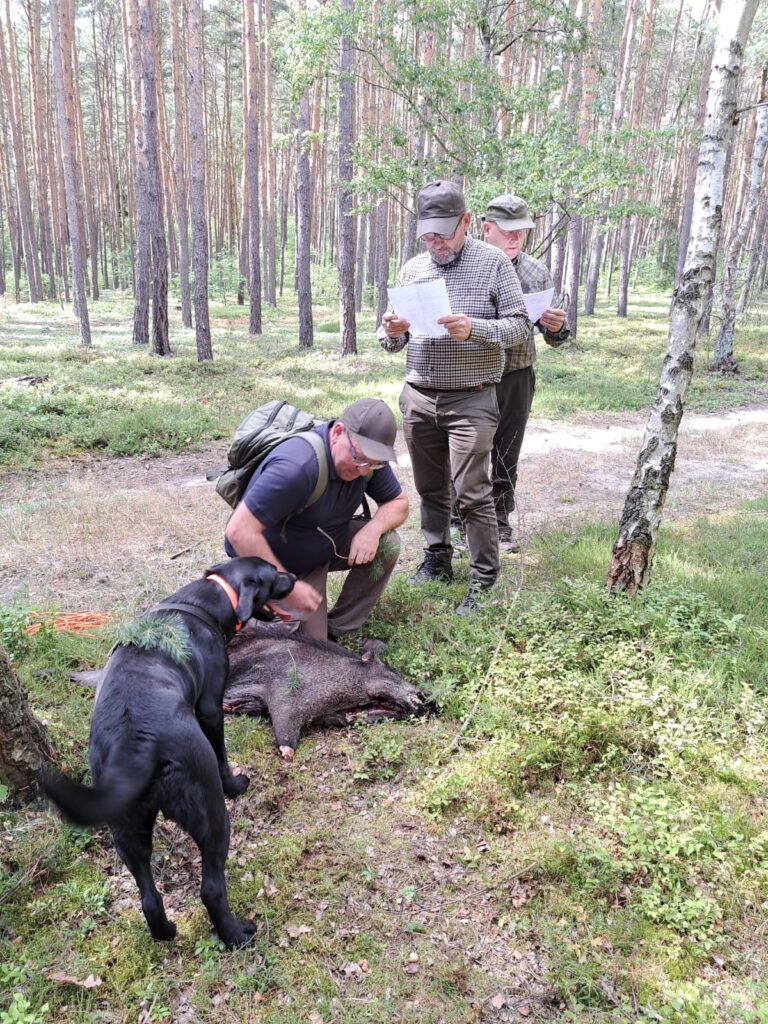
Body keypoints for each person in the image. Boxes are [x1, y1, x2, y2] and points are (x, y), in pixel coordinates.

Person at [378, 179, 530, 615]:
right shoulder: (412, 269)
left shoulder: (494, 264)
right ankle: (437, 559)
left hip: (472, 397)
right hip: (419, 395)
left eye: (444, 233)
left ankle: (484, 580)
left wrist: (475, 329)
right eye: (428, 234)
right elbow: (392, 340)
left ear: (467, 221)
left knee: (472, 491)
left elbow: (520, 327)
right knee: (430, 488)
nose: (436, 242)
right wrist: (391, 333)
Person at [224, 398, 408, 641]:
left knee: (388, 544)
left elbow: (399, 503)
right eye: (360, 459)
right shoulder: (297, 467)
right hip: (274, 563)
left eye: (374, 463)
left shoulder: (368, 458)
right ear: (339, 432)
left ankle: (340, 629)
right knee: (302, 652)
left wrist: (373, 529)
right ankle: (253, 604)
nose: (364, 470)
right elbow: (238, 531)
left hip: (321, 547)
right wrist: (285, 584)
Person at [480, 194, 570, 551]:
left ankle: (500, 523)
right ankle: (460, 522)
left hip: (517, 373)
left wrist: (557, 326)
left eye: (522, 230)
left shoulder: (535, 271)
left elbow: (556, 338)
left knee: (506, 453)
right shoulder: (470, 264)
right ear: (487, 229)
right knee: (466, 452)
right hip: (473, 373)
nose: (516, 237)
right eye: (507, 230)